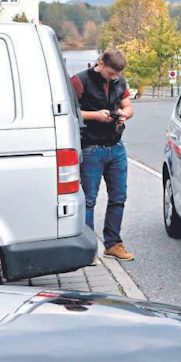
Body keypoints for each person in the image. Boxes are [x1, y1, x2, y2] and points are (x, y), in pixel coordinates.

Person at [70, 49, 135, 262]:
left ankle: (113, 244)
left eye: (117, 74)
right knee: (89, 200)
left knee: (118, 197)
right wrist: (95, 116)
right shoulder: (80, 81)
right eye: (110, 73)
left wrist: (124, 115)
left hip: (116, 146)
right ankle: (89, 250)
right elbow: (70, 111)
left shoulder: (120, 82)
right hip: (90, 147)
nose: (113, 77)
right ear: (100, 63)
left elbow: (128, 106)